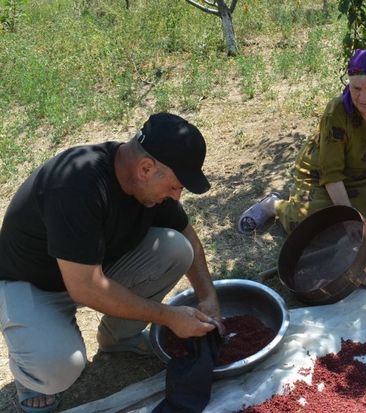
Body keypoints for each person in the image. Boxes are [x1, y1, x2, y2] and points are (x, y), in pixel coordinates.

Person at [0, 113, 221, 412]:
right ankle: (32, 379)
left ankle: (118, 338)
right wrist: (169, 317)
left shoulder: (145, 181)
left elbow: (188, 237)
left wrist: (208, 297)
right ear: (146, 168)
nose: (176, 196)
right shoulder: (76, 186)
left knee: (177, 249)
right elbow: (85, 288)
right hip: (31, 282)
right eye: (175, 186)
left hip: (91, 269)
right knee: (58, 367)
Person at [237, 49, 366, 234]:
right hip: (322, 176)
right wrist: (349, 217)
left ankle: (355, 215)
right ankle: (274, 206)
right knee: (306, 220)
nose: (362, 97)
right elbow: (331, 173)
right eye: (356, 88)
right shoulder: (336, 112)